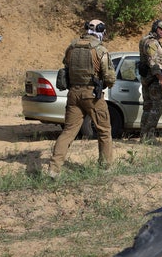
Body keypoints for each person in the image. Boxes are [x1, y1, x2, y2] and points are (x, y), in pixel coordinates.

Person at [45, 19, 117, 179]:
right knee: (104, 131)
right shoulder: (100, 50)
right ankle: (106, 168)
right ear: (100, 30)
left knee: (68, 132)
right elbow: (110, 78)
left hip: (73, 94)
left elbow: (66, 66)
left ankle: (54, 169)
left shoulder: (71, 47)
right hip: (92, 96)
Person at [139, 20, 162, 145]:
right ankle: (149, 136)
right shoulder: (152, 43)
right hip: (153, 79)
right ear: (155, 28)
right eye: (161, 29)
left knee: (148, 107)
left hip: (147, 79)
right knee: (158, 106)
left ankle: (143, 135)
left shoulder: (145, 40)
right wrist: (161, 79)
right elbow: (153, 63)